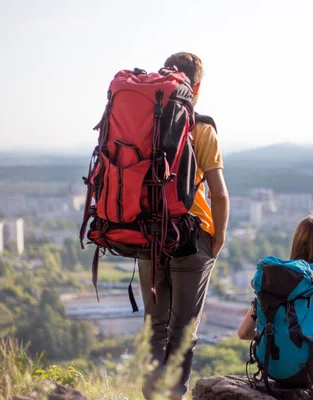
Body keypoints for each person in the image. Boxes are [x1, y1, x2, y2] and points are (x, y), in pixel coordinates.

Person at [138, 52, 230, 400]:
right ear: (197, 86)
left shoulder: (146, 123)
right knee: (183, 330)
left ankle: (152, 396)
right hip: (192, 239)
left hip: (147, 235)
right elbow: (219, 195)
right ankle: (174, 396)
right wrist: (218, 238)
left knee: (155, 326)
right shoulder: (201, 127)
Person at [237, 215, 313, 397]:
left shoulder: (273, 281)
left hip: (272, 367)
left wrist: (280, 339)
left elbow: (243, 333)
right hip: (312, 370)